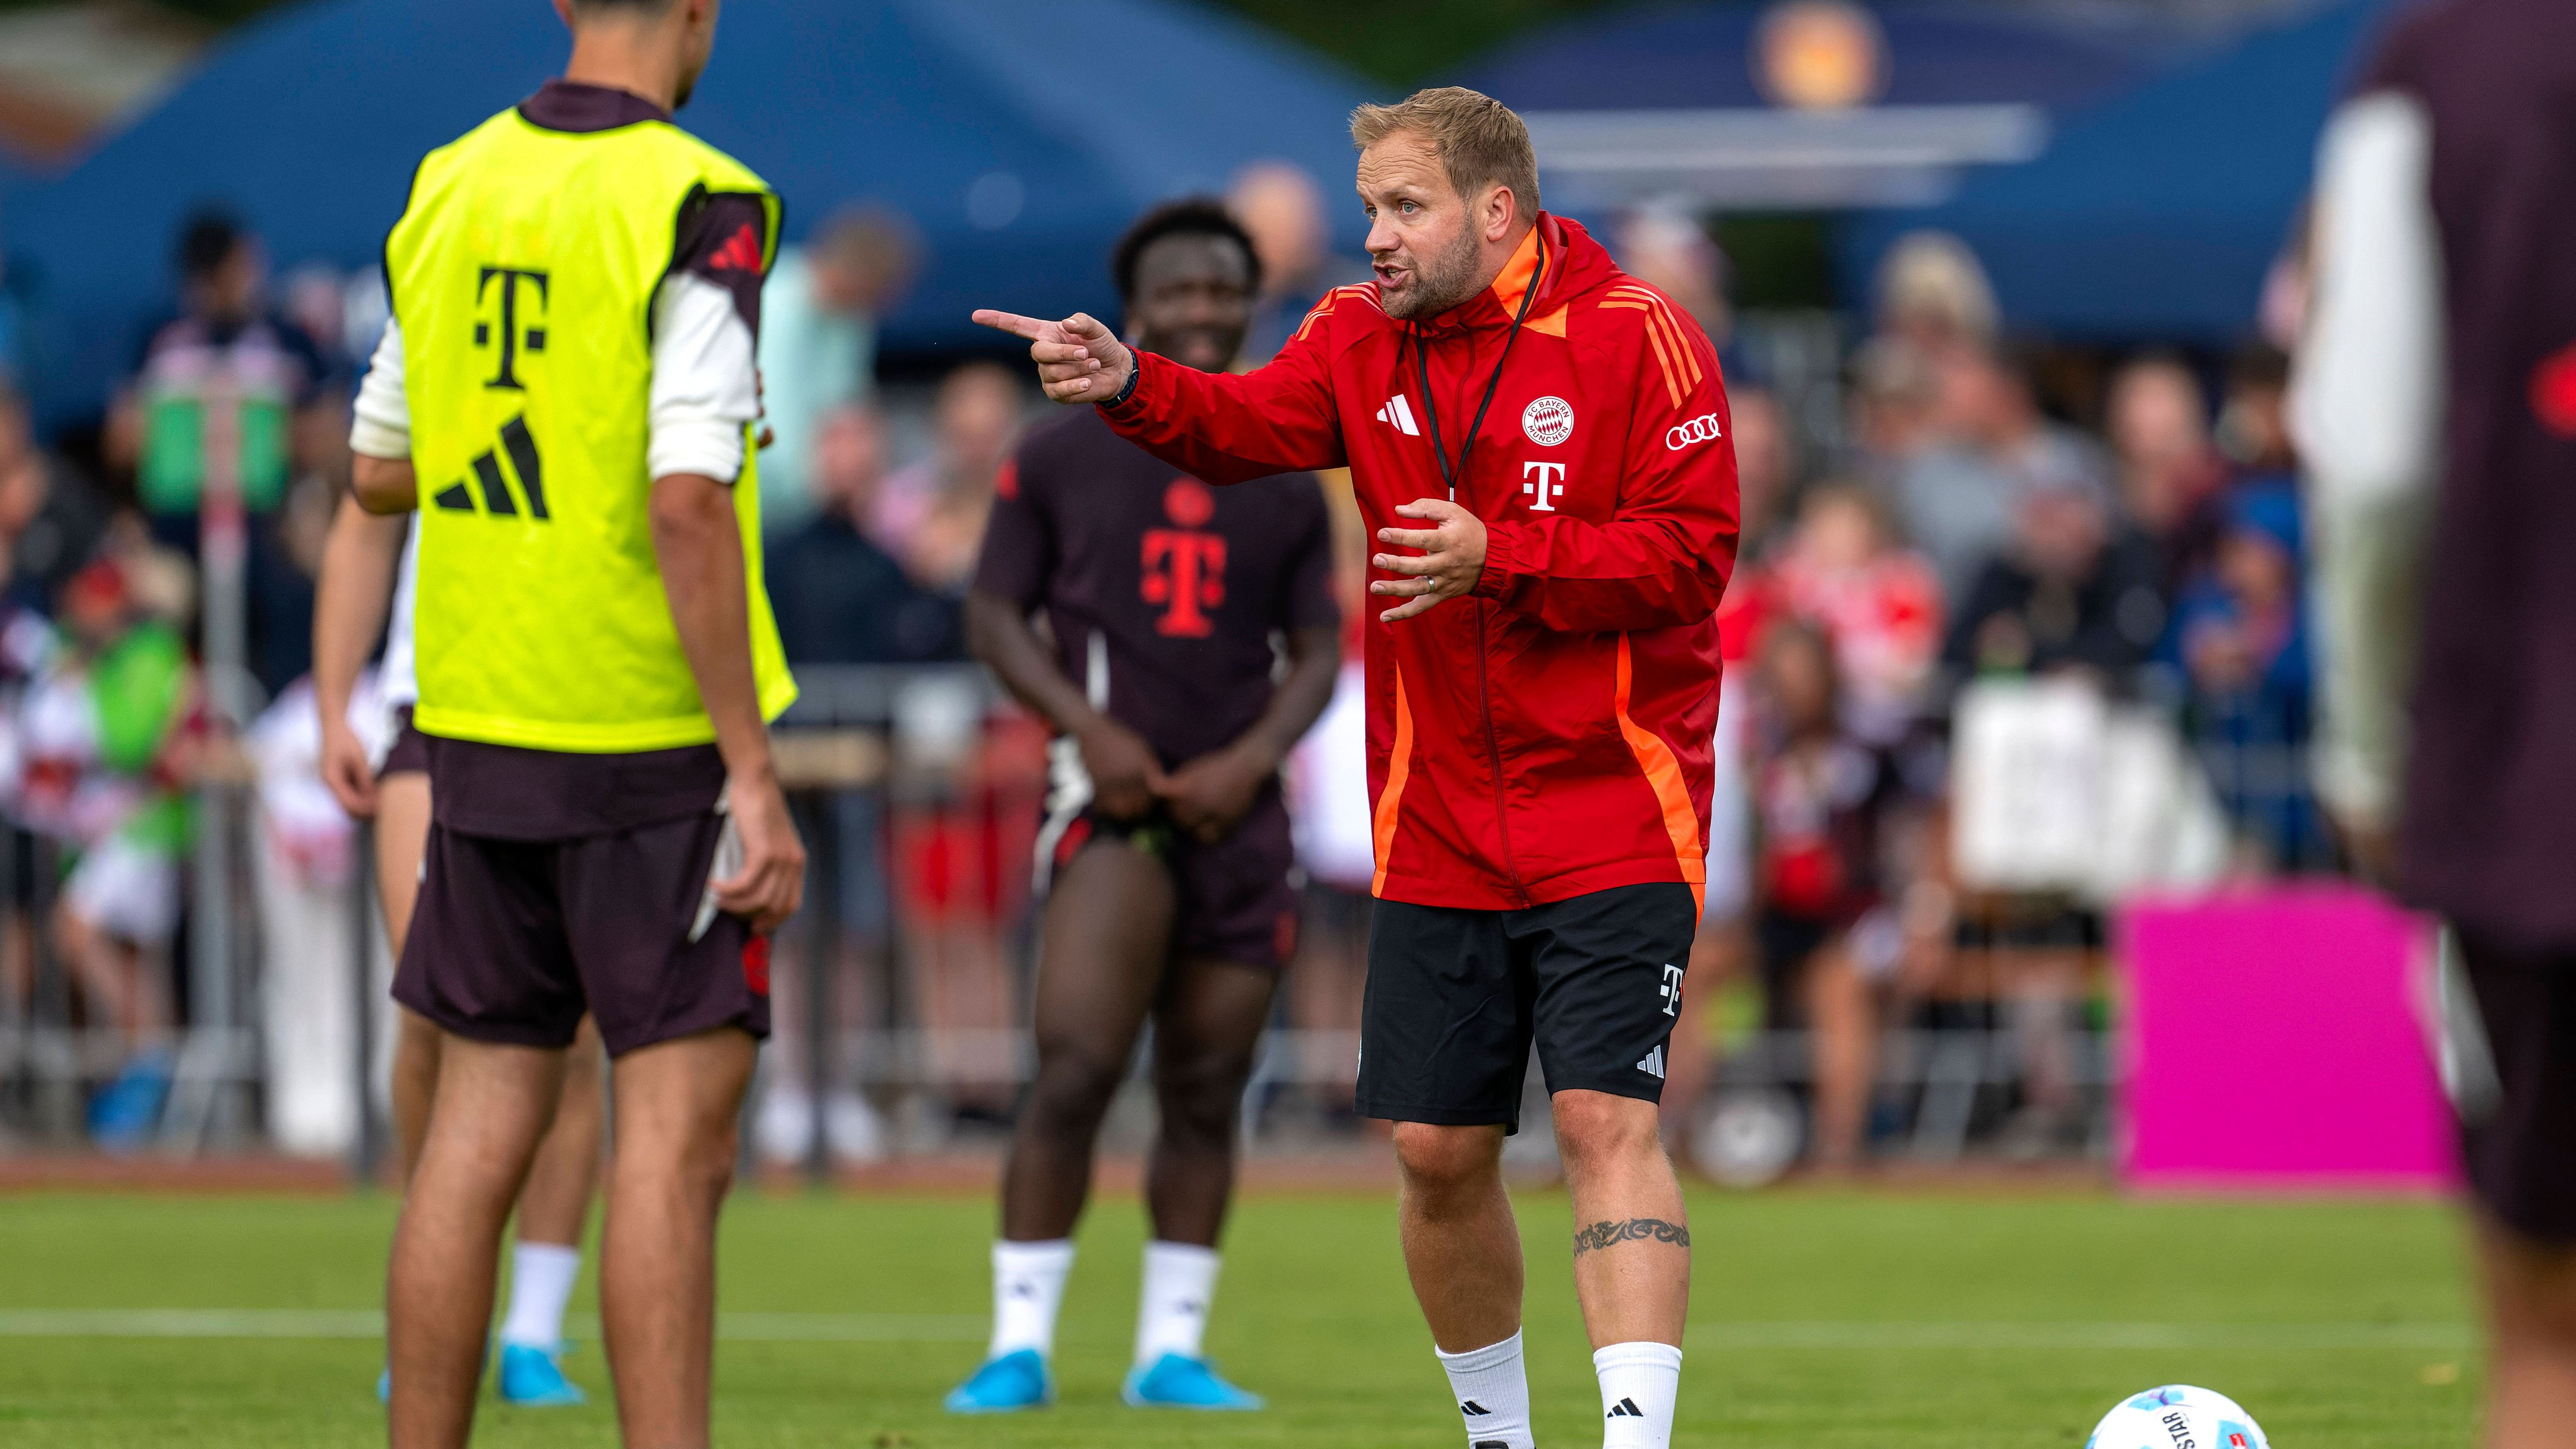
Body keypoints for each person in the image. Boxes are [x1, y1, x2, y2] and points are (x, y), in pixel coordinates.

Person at [979, 86, 1738, 1449]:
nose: (1373, 237)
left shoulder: (1641, 336)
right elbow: (1240, 424)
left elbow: (1695, 556)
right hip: (1436, 815)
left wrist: (1504, 556)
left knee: (1598, 1117)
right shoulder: (1349, 336)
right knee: (1435, 1152)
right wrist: (1131, 384)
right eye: (1371, 208)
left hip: (1617, 805)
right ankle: (1498, 1437)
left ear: (1495, 211)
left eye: (1405, 208)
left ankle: (1637, 1441)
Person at [348, 2, 805, 1444]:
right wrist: (752, 767)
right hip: (642, 726)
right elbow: (685, 498)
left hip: (475, 706)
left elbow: (376, 471)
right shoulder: (704, 199)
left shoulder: (448, 178)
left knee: (475, 1132)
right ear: (697, 13)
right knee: (670, 1149)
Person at [944, 198, 1341, 1414]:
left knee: (1207, 1081)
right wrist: (1088, 726)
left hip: (1239, 802)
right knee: (1072, 1063)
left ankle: (1170, 1345)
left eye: (1228, 291)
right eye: (1185, 292)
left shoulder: (1279, 461)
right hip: (1107, 795)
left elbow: (1321, 644)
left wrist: (1255, 754)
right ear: (1136, 306)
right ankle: (1019, 1339)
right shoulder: (1058, 449)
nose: (1209, 312)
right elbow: (993, 611)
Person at [2297, 10, 2576, 1443]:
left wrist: (2367, 752)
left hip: (2538, 769)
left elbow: (2379, 455)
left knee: (2547, 1338)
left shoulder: (2446, 61)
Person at [312, 495, 605, 1407]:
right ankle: (442, 1303)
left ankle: (534, 1330)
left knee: (578, 1041)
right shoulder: (426, 346)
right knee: (435, 1011)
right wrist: (332, 706)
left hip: (592, 699)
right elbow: (367, 510)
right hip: (439, 701)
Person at [755, 206, 916, 536]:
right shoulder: (773, 302)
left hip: (803, 514)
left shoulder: (851, 318)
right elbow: (768, 426)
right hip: (760, 509)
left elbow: (849, 412)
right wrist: (828, 485)